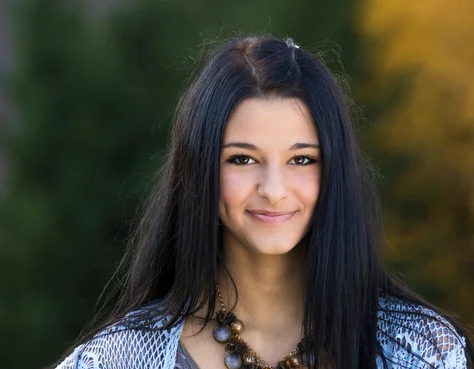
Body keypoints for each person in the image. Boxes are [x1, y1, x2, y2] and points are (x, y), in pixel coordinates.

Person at [54, 36, 473, 369]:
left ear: (335, 171)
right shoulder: (118, 359)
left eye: (301, 159)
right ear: (200, 170)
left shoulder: (421, 351)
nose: (274, 189)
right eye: (242, 158)